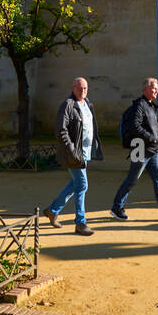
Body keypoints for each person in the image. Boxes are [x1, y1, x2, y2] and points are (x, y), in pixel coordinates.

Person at [111, 77, 158, 221]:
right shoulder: (139, 105)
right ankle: (117, 208)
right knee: (132, 179)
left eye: (157, 88)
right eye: (153, 88)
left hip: (152, 150)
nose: (156, 91)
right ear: (145, 89)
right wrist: (151, 138)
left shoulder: (151, 106)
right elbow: (134, 126)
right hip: (139, 148)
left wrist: (155, 141)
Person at [46, 77, 104, 235]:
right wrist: (72, 150)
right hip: (73, 154)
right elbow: (60, 130)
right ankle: (80, 223)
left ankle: (52, 210)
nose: (82, 91)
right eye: (79, 88)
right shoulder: (68, 105)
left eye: (85, 88)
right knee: (82, 185)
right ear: (73, 89)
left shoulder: (87, 104)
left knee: (75, 183)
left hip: (85, 152)